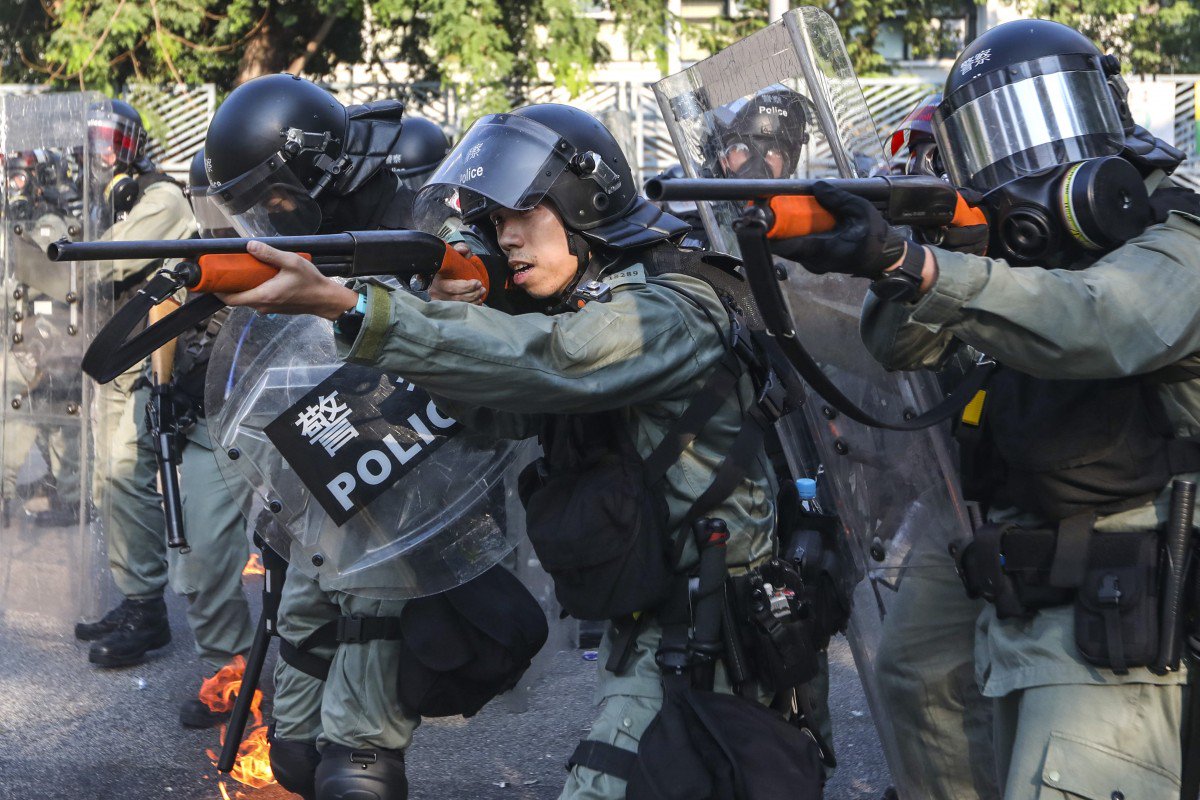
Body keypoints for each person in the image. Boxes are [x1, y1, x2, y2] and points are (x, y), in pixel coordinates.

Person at [215, 103, 816, 800]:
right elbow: (498, 412)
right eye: (497, 224)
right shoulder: (587, 302)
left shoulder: (672, 308)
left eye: (524, 216)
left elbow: (554, 360)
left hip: (724, 628)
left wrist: (354, 308)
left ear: (582, 203)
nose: (508, 241)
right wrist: (445, 315)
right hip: (654, 620)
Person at [771, 19, 1198, 798]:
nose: (1019, 158)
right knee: (915, 674)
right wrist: (910, 247)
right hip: (1011, 520)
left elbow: (1105, 320)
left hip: (1138, 541)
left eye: (1043, 116)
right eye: (989, 135)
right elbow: (899, 348)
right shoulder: (1013, 243)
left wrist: (922, 265)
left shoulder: (1179, 228)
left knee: (1070, 773)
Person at [203, 73, 457, 800]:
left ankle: (363, 755)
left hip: (406, 459)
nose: (267, 216)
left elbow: (461, 317)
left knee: (367, 653)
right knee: (296, 727)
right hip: (328, 456)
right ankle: (310, 747)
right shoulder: (323, 216)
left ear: (312, 164)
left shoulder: (415, 209)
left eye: (272, 197)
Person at [74, 99, 199, 670]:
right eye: (94, 141)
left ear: (131, 145)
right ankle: (135, 599)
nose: (101, 154)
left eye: (111, 141)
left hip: (148, 358)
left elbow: (103, 264)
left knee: (126, 477)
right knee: (108, 481)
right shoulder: (107, 199)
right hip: (114, 358)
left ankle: (148, 611)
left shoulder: (162, 197)